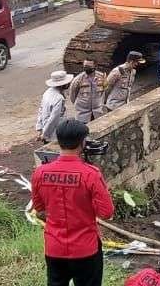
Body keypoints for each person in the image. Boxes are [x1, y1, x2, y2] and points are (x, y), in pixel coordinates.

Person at [31, 119, 115, 286]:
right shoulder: (90, 174)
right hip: (86, 248)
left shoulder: (40, 173)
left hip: (54, 247)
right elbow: (107, 212)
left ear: (59, 141)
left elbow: (39, 208)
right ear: (82, 142)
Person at [37, 71, 72, 143]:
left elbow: (41, 110)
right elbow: (54, 118)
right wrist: (45, 134)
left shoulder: (47, 92)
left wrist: (40, 128)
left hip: (46, 127)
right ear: (63, 84)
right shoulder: (58, 98)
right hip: (54, 133)